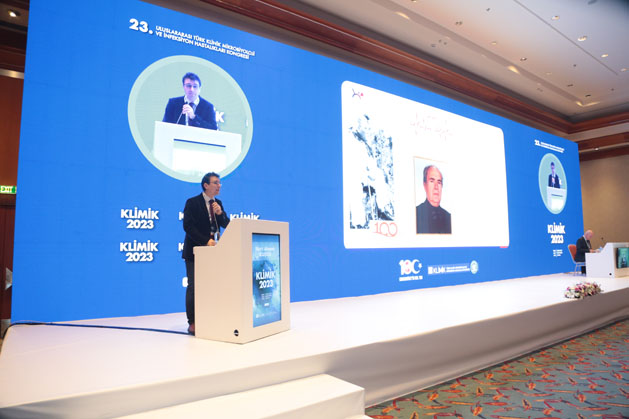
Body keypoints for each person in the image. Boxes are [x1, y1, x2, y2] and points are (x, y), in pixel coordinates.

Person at [182, 172, 230, 335]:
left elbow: (226, 224)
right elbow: (188, 227)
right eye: (215, 183)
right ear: (206, 185)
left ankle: (210, 318)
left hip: (213, 253)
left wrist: (220, 214)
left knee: (212, 286)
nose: (219, 186)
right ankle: (193, 322)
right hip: (195, 252)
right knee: (194, 287)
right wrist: (205, 241)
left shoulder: (218, 203)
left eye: (219, 183)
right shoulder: (192, 202)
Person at [416, 165, 451, 234]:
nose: (436, 187)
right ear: (425, 185)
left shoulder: (449, 217)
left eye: (439, 182)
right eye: (432, 181)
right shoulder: (416, 214)